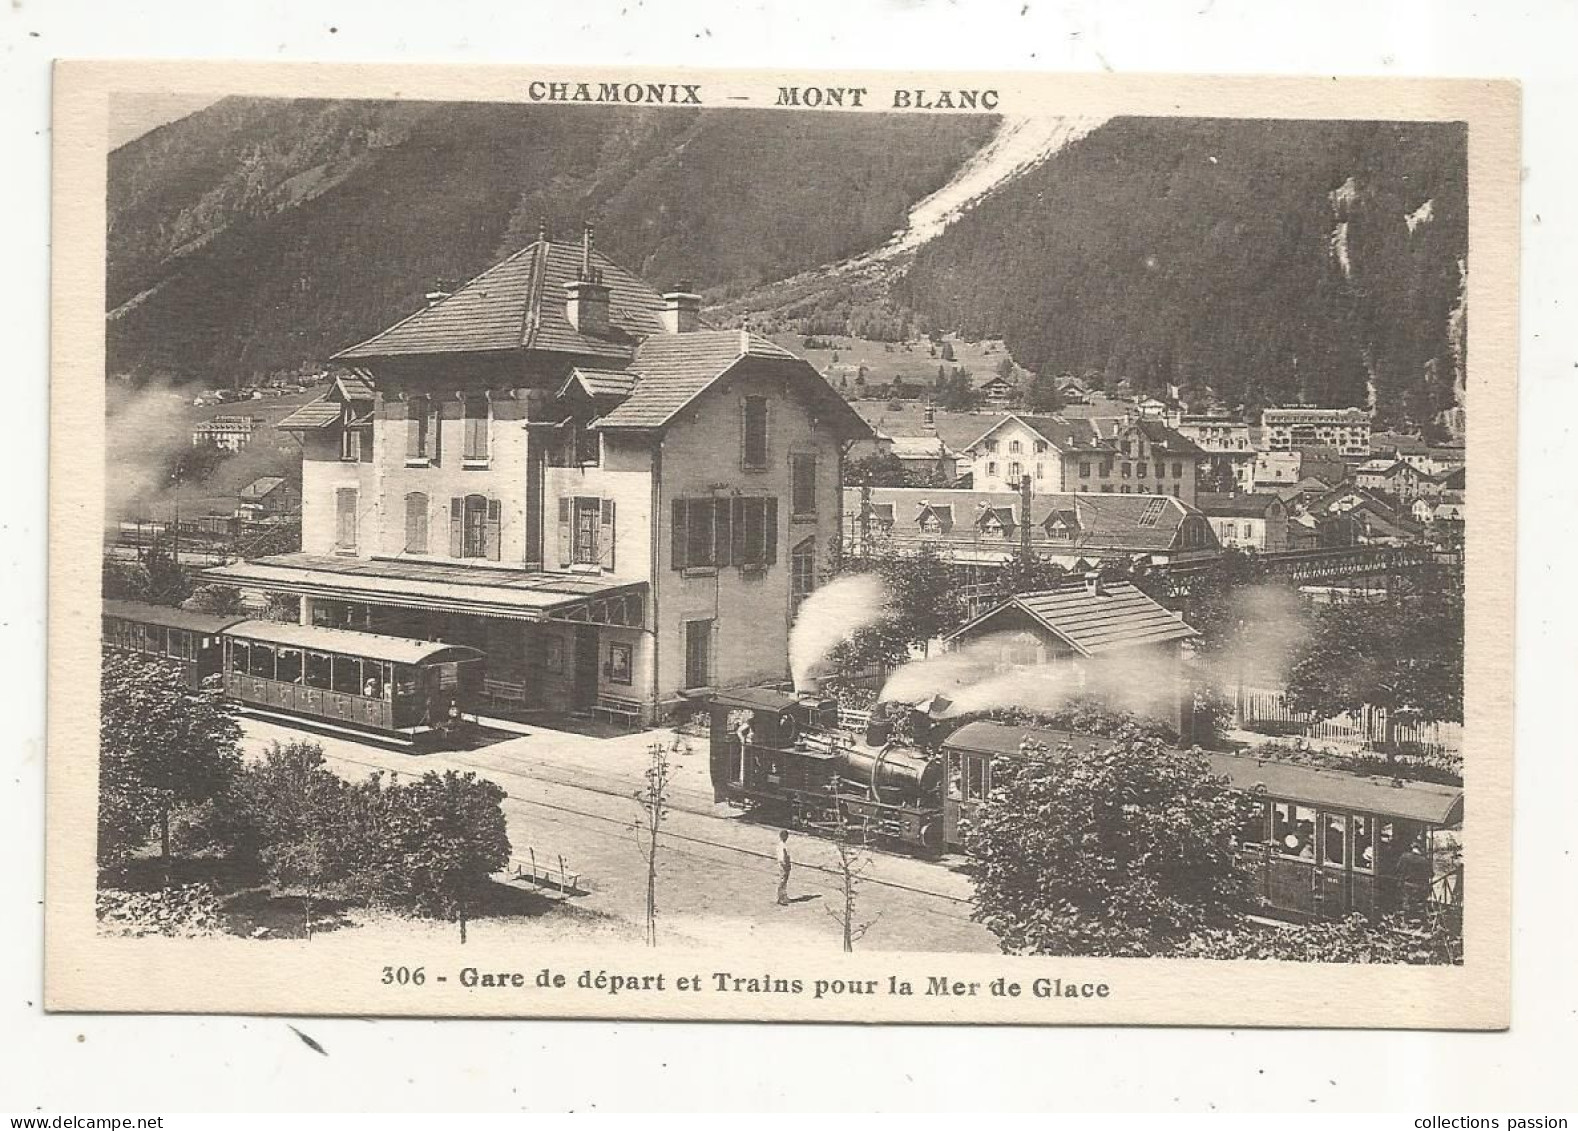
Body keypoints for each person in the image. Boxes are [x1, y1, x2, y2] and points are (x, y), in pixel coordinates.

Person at [775, 829, 792, 906]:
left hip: (782, 864)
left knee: (784, 881)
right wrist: (785, 865)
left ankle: (783, 897)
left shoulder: (780, 845)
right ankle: (781, 898)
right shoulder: (783, 846)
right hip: (784, 865)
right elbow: (783, 857)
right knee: (783, 881)